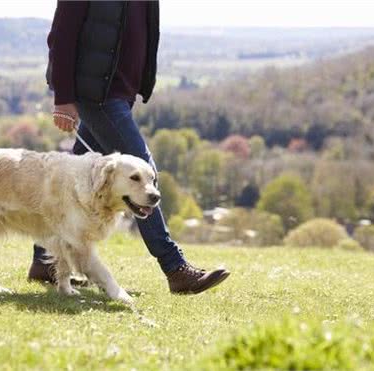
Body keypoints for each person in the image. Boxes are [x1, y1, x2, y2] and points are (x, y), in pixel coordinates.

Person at [28, 1, 230, 294]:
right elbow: (61, 35)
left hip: (119, 94)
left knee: (70, 181)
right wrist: (63, 97)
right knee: (143, 172)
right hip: (96, 94)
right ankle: (175, 269)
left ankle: (44, 262)